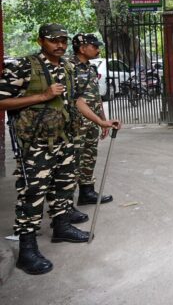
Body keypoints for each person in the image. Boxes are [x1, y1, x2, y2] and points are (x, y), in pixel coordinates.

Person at [0, 24, 121, 275]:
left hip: (65, 140)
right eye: (53, 40)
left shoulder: (67, 67)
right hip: (36, 144)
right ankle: (27, 249)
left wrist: (101, 121)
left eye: (63, 40)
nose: (60, 45)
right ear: (40, 41)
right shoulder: (24, 66)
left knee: (64, 187)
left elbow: (77, 101)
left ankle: (62, 227)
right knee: (32, 194)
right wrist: (42, 96)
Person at [71, 33, 114, 207]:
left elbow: (96, 97)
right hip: (76, 123)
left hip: (92, 121)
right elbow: (73, 99)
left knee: (89, 156)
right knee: (74, 159)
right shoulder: (68, 67)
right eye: (94, 46)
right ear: (82, 48)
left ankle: (86, 192)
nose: (98, 49)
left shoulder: (91, 67)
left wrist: (102, 120)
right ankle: (65, 203)